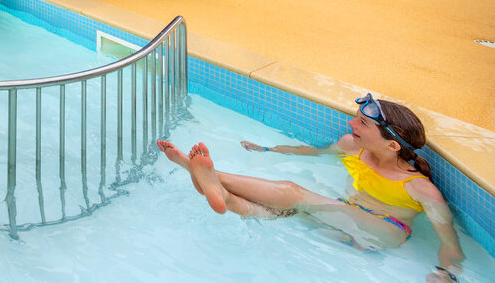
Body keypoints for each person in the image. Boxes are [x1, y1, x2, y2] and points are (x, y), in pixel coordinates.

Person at [157, 94, 464, 282]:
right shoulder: (352, 147)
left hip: (385, 231)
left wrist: (445, 274)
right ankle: (222, 195)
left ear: (393, 145)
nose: (351, 124)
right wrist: (269, 149)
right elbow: (313, 153)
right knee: (278, 210)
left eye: (362, 124)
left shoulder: (420, 188)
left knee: (294, 192)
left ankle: (204, 173)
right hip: (347, 220)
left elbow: (450, 242)